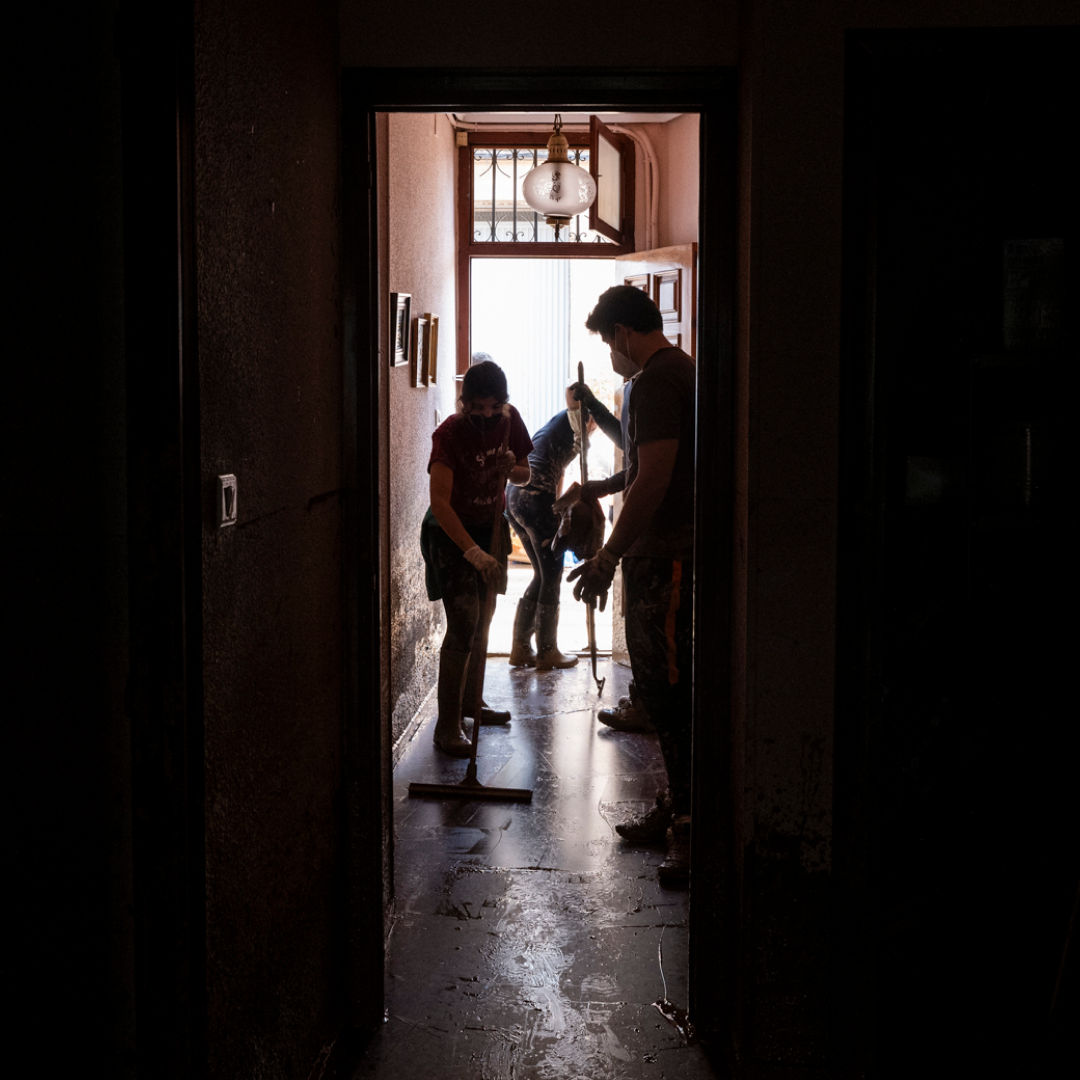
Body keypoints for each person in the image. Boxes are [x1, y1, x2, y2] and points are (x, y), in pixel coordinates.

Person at [568, 286, 695, 885]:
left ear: (620, 332)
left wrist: (607, 557)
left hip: (666, 554)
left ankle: (689, 830)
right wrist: (598, 489)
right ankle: (679, 808)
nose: (610, 356)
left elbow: (657, 478)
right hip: (670, 551)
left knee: (667, 693)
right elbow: (644, 466)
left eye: (607, 342)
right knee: (667, 689)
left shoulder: (652, 381)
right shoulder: (682, 369)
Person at [420, 358, 533, 756]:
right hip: (451, 534)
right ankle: (447, 725)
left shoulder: (509, 419)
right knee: (464, 619)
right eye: (477, 408)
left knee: (485, 617)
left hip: (492, 526)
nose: (486, 415)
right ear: (464, 402)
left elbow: (524, 474)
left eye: (493, 407)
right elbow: (440, 503)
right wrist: (473, 553)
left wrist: (512, 467)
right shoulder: (448, 434)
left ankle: (472, 702)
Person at [505, 385, 621, 670]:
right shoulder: (574, 420)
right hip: (533, 497)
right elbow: (572, 394)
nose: (595, 428)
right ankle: (547, 651)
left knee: (542, 574)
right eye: (595, 422)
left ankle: (521, 649)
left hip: (516, 498)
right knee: (553, 573)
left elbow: (558, 471)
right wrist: (583, 403)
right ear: (590, 416)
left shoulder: (560, 428)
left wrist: (557, 510)